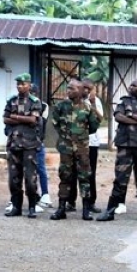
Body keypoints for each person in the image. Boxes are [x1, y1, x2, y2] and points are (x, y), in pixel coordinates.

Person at [96, 78, 137, 222]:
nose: (130, 87)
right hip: (124, 145)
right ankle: (110, 211)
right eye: (130, 85)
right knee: (120, 179)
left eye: (134, 85)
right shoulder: (124, 101)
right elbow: (118, 117)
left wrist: (131, 116)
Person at [48, 78, 101, 221]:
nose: (68, 91)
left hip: (82, 149)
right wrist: (66, 136)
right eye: (68, 88)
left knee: (85, 177)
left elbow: (94, 127)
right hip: (66, 148)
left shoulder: (87, 108)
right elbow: (55, 123)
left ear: (79, 90)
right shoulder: (61, 106)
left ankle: (86, 209)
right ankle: (61, 209)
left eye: (72, 88)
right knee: (65, 176)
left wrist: (80, 136)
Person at [2, 73, 43, 218]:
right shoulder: (11, 101)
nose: (20, 86)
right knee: (14, 179)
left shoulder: (35, 101)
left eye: (23, 84)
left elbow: (33, 120)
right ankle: (16, 207)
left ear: (29, 85)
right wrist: (21, 119)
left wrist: (15, 117)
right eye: (18, 84)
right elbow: (5, 119)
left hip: (29, 146)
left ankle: (32, 207)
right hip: (13, 144)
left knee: (30, 179)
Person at [67, 79, 105, 214]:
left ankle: (90, 202)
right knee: (71, 172)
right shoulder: (72, 100)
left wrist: (92, 104)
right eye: (85, 88)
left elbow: (101, 119)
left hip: (91, 143)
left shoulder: (95, 101)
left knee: (90, 174)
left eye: (90, 88)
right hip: (73, 142)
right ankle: (70, 202)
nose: (87, 91)